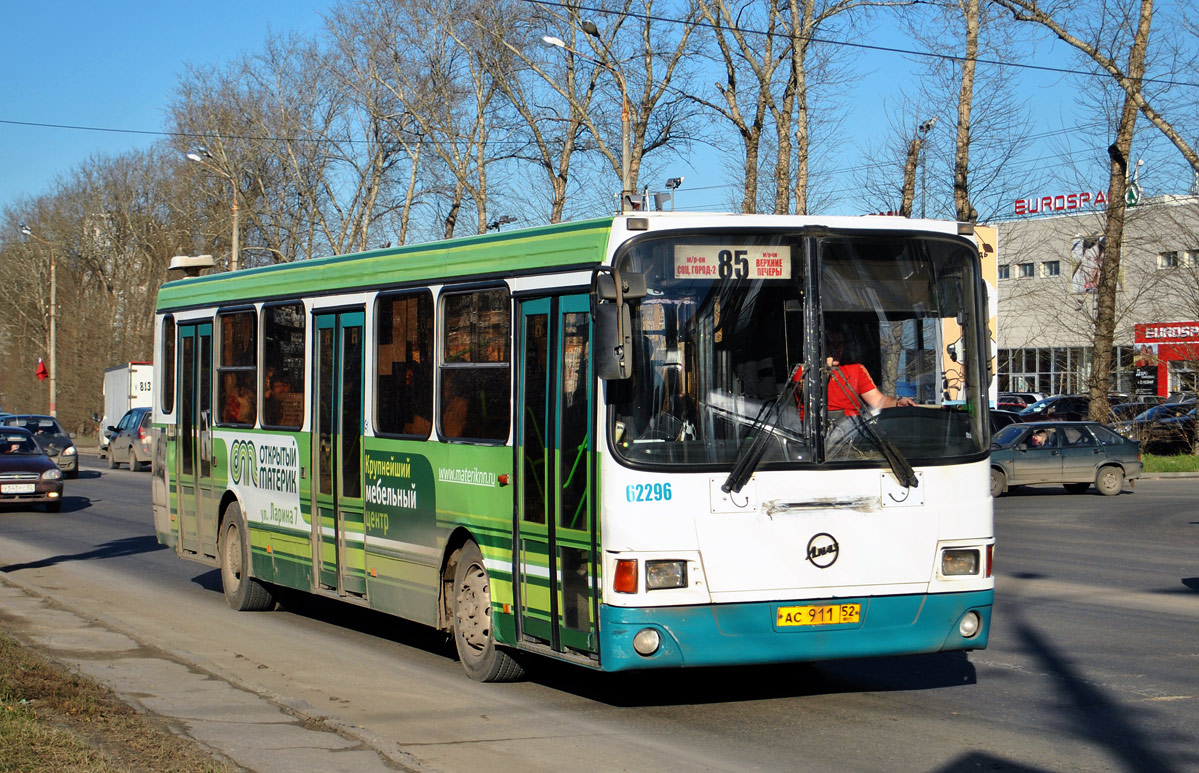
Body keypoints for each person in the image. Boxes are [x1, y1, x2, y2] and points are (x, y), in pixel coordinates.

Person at [824, 329, 915, 417]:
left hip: (851, 427)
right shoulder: (812, 372)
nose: (835, 349)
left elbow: (878, 400)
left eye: (839, 344)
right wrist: (826, 367)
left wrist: (898, 403)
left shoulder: (855, 369)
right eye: (830, 344)